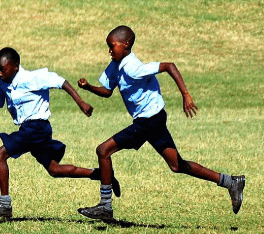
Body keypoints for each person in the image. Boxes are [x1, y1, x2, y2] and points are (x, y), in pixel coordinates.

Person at [76, 25, 245, 221]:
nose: (109, 50)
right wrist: (88, 87)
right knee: (177, 165)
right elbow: (107, 91)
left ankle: (105, 205)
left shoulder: (133, 67)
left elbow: (169, 66)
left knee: (103, 150)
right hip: (153, 120)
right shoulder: (116, 65)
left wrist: (186, 95)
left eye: (112, 46)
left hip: (149, 122)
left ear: (126, 44)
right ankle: (230, 182)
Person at [0, 47, 120, 218]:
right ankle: (102, 174)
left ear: (15, 66)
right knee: (55, 170)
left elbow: (61, 82)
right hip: (30, 130)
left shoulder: (32, 78)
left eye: (3, 69)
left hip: (37, 127)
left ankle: (4, 205)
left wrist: (81, 103)